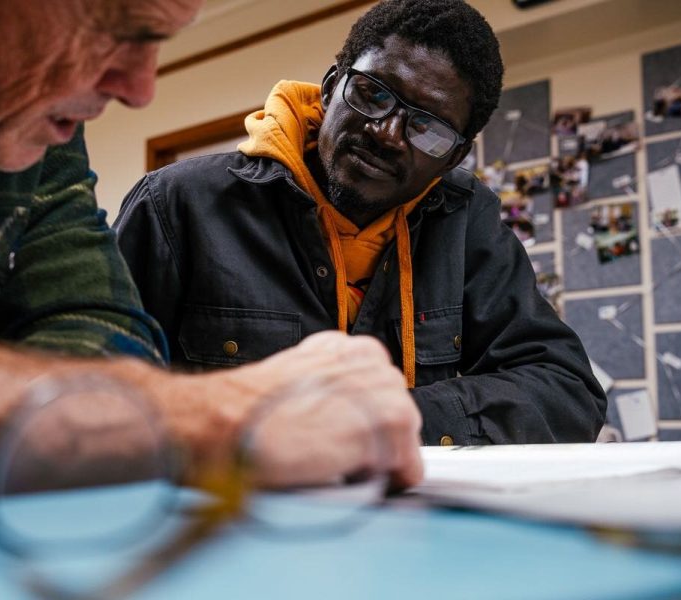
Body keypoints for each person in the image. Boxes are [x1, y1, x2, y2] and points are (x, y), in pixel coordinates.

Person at [0, 0, 423, 496]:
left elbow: (106, 330)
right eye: (111, 24)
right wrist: (207, 420)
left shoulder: (29, 126)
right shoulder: (168, 194)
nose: (140, 89)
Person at [115, 0, 607, 445]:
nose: (387, 134)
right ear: (331, 89)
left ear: (453, 156)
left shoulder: (466, 224)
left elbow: (566, 389)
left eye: (427, 127)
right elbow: (91, 390)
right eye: (373, 95)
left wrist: (391, 418)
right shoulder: (177, 204)